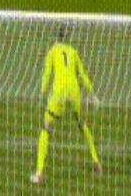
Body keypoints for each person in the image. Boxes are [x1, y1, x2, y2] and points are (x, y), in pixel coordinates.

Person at [31, 26, 102, 185]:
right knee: (82, 124)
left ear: (56, 37)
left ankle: (39, 172)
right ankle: (96, 161)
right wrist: (92, 93)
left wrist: (42, 91)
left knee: (46, 127)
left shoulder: (52, 51)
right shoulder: (72, 51)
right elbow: (82, 74)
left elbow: (47, 74)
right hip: (74, 92)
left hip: (59, 92)